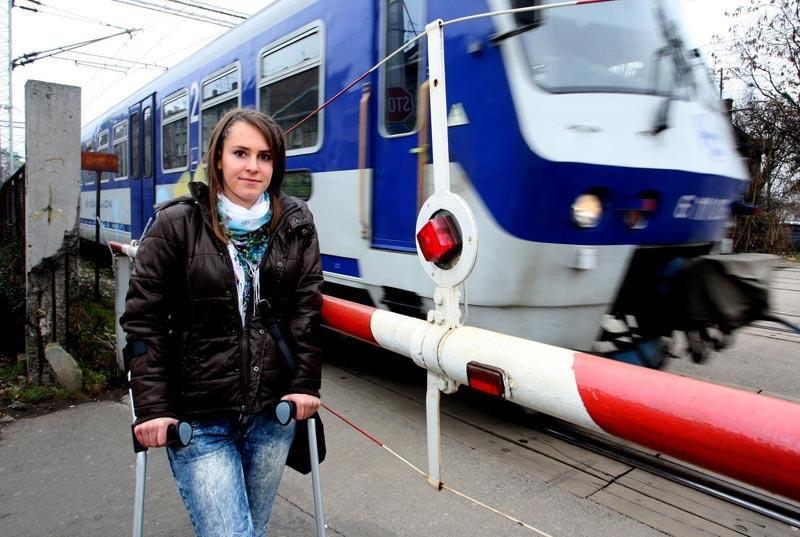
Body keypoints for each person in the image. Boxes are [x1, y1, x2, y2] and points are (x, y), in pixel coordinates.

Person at [121, 107, 323, 537]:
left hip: (273, 414)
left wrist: (305, 385)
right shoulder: (176, 223)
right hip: (199, 418)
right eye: (240, 153)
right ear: (218, 159)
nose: (253, 167)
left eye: (265, 156)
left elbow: (306, 312)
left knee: (252, 528)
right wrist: (153, 408)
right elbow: (144, 320)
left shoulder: (296, 222)